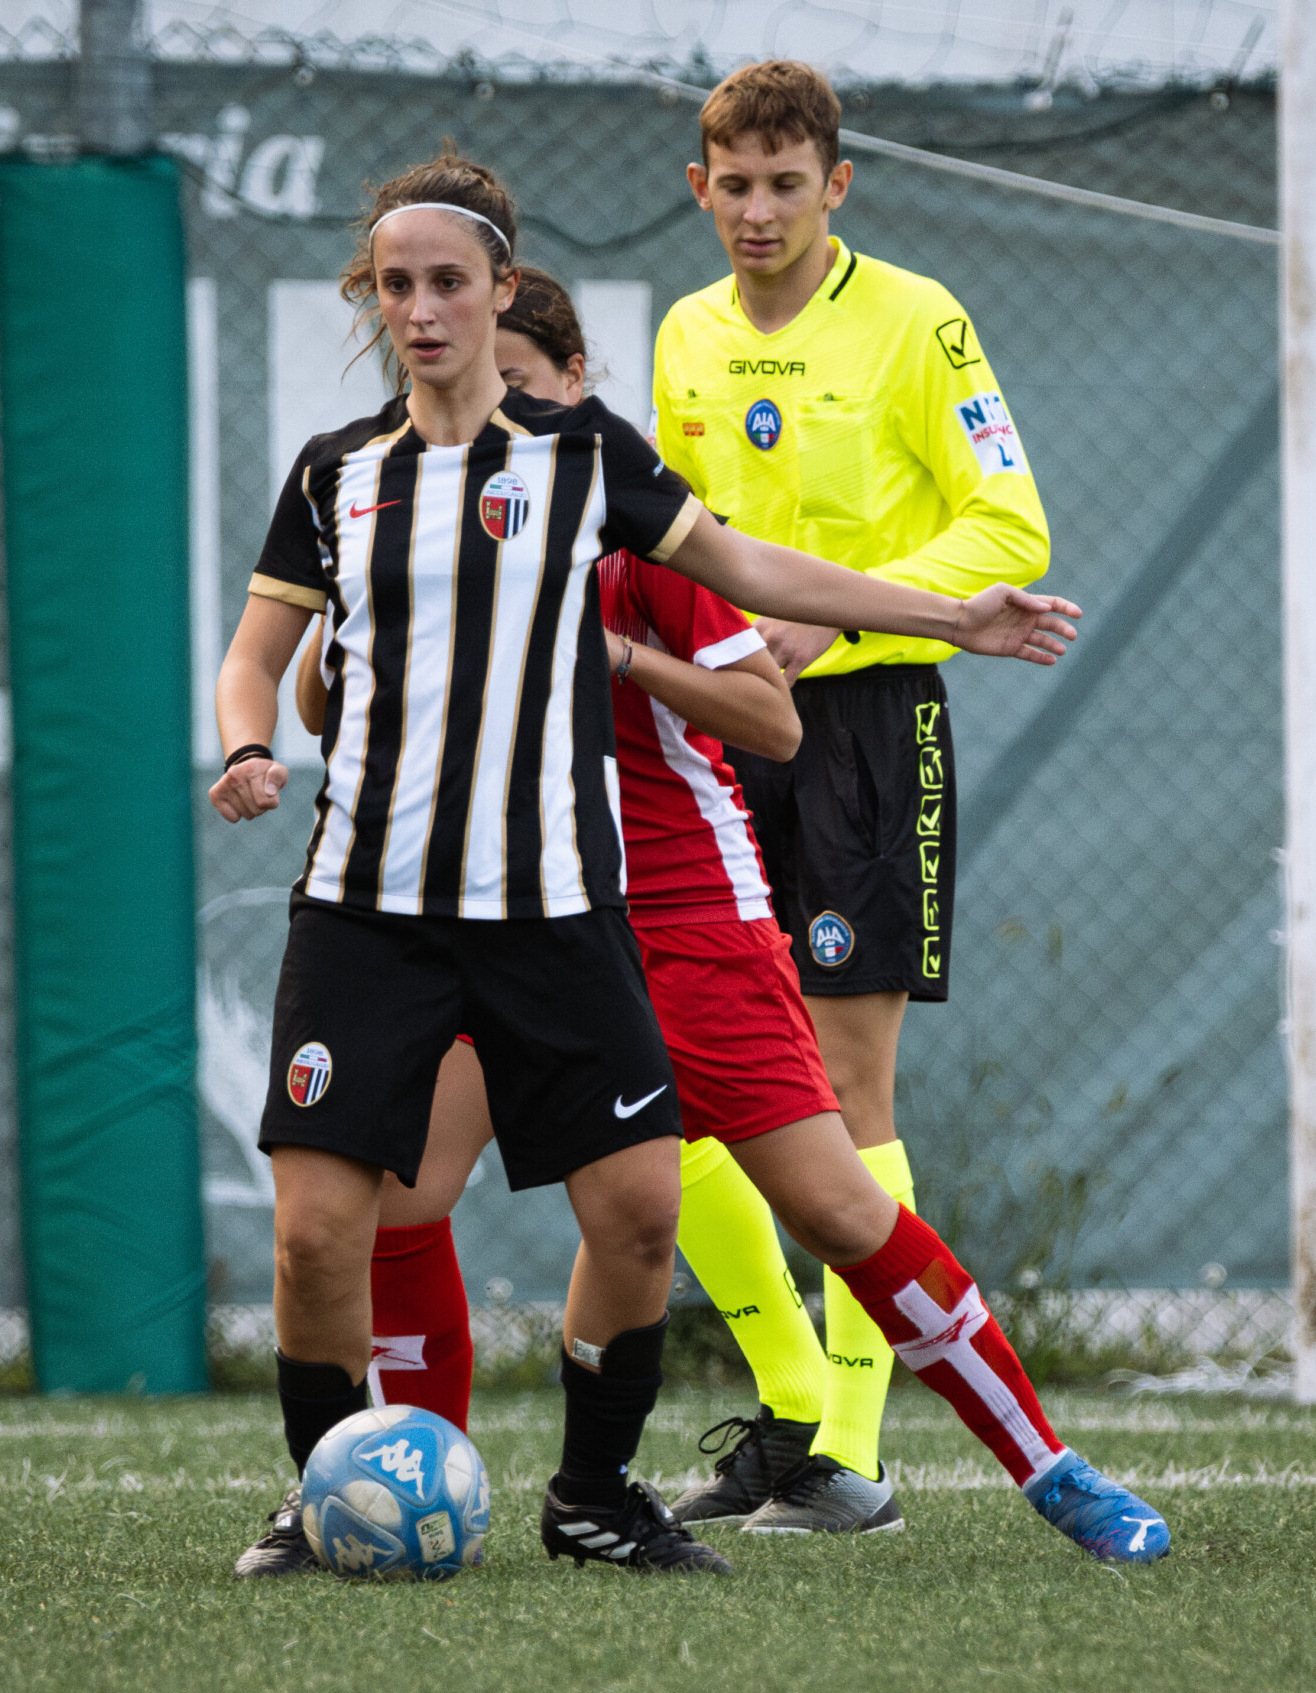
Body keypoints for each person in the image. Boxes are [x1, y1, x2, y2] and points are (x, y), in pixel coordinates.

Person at [212, 152, 1079, 1580]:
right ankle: (322, 1499)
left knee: (638, 1211)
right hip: (366, 912)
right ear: (369, 299)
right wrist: (248, 743)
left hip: (554, 905)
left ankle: (595, 1492)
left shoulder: (584, 457)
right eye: (396, 284)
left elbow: (752, 571)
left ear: (500, 293)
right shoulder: (336, 476)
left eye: (450, 281)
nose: (423, 309)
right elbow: (264, 658)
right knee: (320, 1233)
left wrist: (952, 617)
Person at [644, 59, 1060, 1532]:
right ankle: (794, 1404)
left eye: (785, 184)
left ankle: (854, 1457)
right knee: (688, 1067)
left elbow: (1009, 522)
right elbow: (682, 545)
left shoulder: (918, 319)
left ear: (838, 184)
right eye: (733, 187)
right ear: (700, 190)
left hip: (871, 725)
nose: (758, 213)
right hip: (714, 735)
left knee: (841, 1079)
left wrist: (849, 624)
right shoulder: (685, 335)